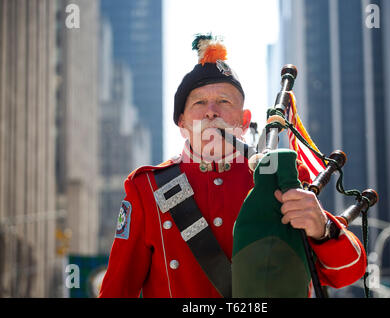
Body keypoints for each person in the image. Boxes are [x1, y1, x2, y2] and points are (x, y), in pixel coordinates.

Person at [99, 34, 367, 298]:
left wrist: (322, 229)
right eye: (199, 103)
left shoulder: (277, 174)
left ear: (243, 120)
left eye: (224, 102)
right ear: (181, 123)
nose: (211, 111)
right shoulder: (146, 188)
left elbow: (347, 273)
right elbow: (116, 290)